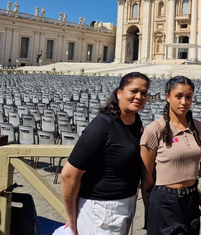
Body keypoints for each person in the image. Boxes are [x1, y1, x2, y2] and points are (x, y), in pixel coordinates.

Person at [61, 72, 150, 235]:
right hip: (102, 209)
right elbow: (68, 175)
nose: (139, 96)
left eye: (144, 93)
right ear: (119, 93)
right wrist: (71, 217)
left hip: (127, 203)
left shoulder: (135, 120)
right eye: (134, 91)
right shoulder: (102, 125)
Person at [141, 76, 201, 235]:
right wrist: (151, 206)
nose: (184, 102)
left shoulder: (200, 128)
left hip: (191, 198)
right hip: (165, 201)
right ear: (167, 97)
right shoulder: (155, 129)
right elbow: (146, 176)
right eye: (178, 96)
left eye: (188, 97)